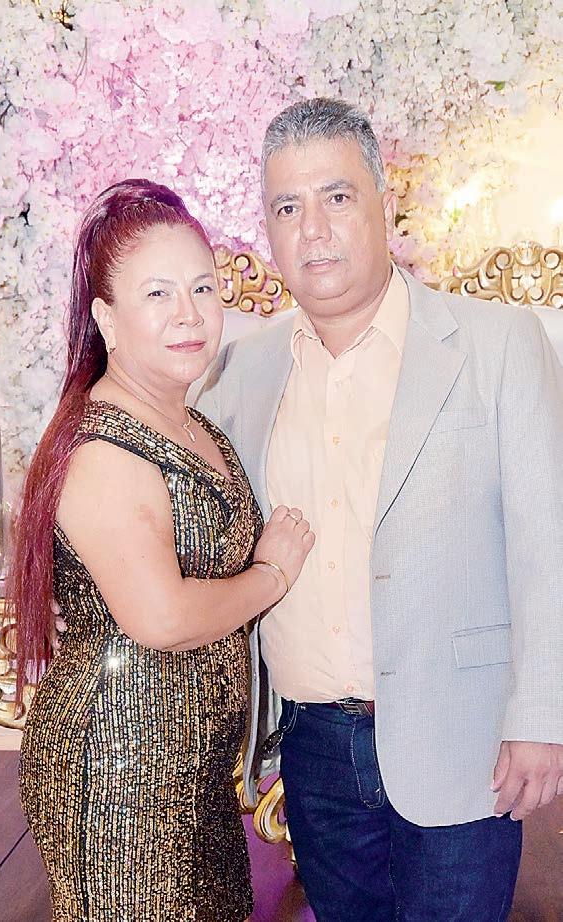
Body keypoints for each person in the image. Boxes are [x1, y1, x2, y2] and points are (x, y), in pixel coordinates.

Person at [192, 97, 563, 921]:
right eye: (288, 207)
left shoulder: (498, 345)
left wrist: (542, 715)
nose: (313, 230)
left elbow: (549, 546)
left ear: (385, 203)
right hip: (313, 751)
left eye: (337, 196)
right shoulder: (239, 373)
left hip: (460, 737)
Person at [9, 178, 314, 921]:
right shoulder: (102, 447)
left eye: (203, 287)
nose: (189, 313)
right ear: (106, 320)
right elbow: (162, 617)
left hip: (190, 768)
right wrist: (273, 573)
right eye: (158, 294)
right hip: (119, 771)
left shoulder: (191, 423)